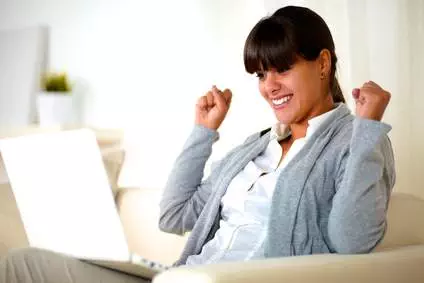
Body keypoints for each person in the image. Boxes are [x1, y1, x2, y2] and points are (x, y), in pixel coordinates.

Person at [0, 5, 395, 283]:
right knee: (22, 266)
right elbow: (173, 216)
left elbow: (352, 239)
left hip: (237, 280)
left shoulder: (358, 140)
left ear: (323, 63)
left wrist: (366, 131)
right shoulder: (255, 148)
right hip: (181, 277)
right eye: (260, 74)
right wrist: (203, 131)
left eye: (282, 68)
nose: (269, 86)